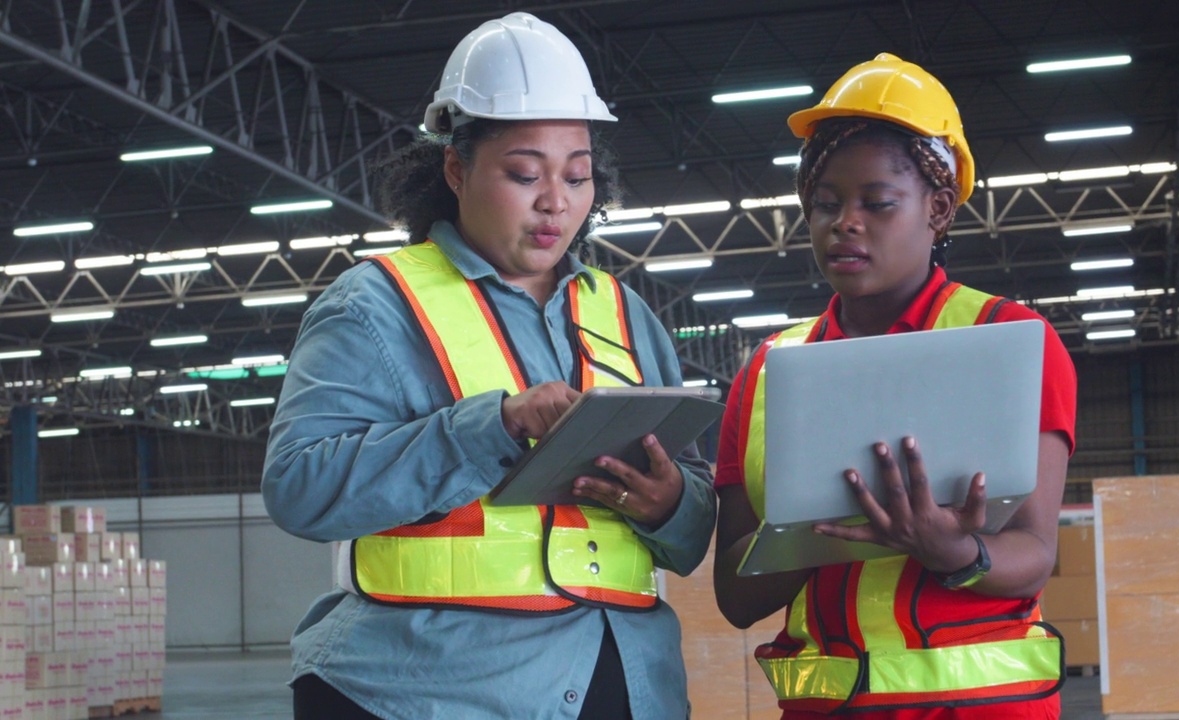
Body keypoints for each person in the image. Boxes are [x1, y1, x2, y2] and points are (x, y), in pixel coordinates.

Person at [261, 12, 715, 720]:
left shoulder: (625, 313)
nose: (555, 202)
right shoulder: (375, 306)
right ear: (455, 168)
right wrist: (493, 425)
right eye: (524, 173)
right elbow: (299, 488)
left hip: (624, 681)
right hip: (428, 688)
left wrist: (671, 505)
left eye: (578, 176)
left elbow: (694, 512)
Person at [712, 53, 1077, 719]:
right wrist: (817, 528)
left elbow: (1033, 550)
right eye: (825, 204)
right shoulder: (766, 369)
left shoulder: (1007, 340)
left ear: (938, 210)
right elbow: (736, 597)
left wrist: (955, 552)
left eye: (877, 204)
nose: (844, 223)